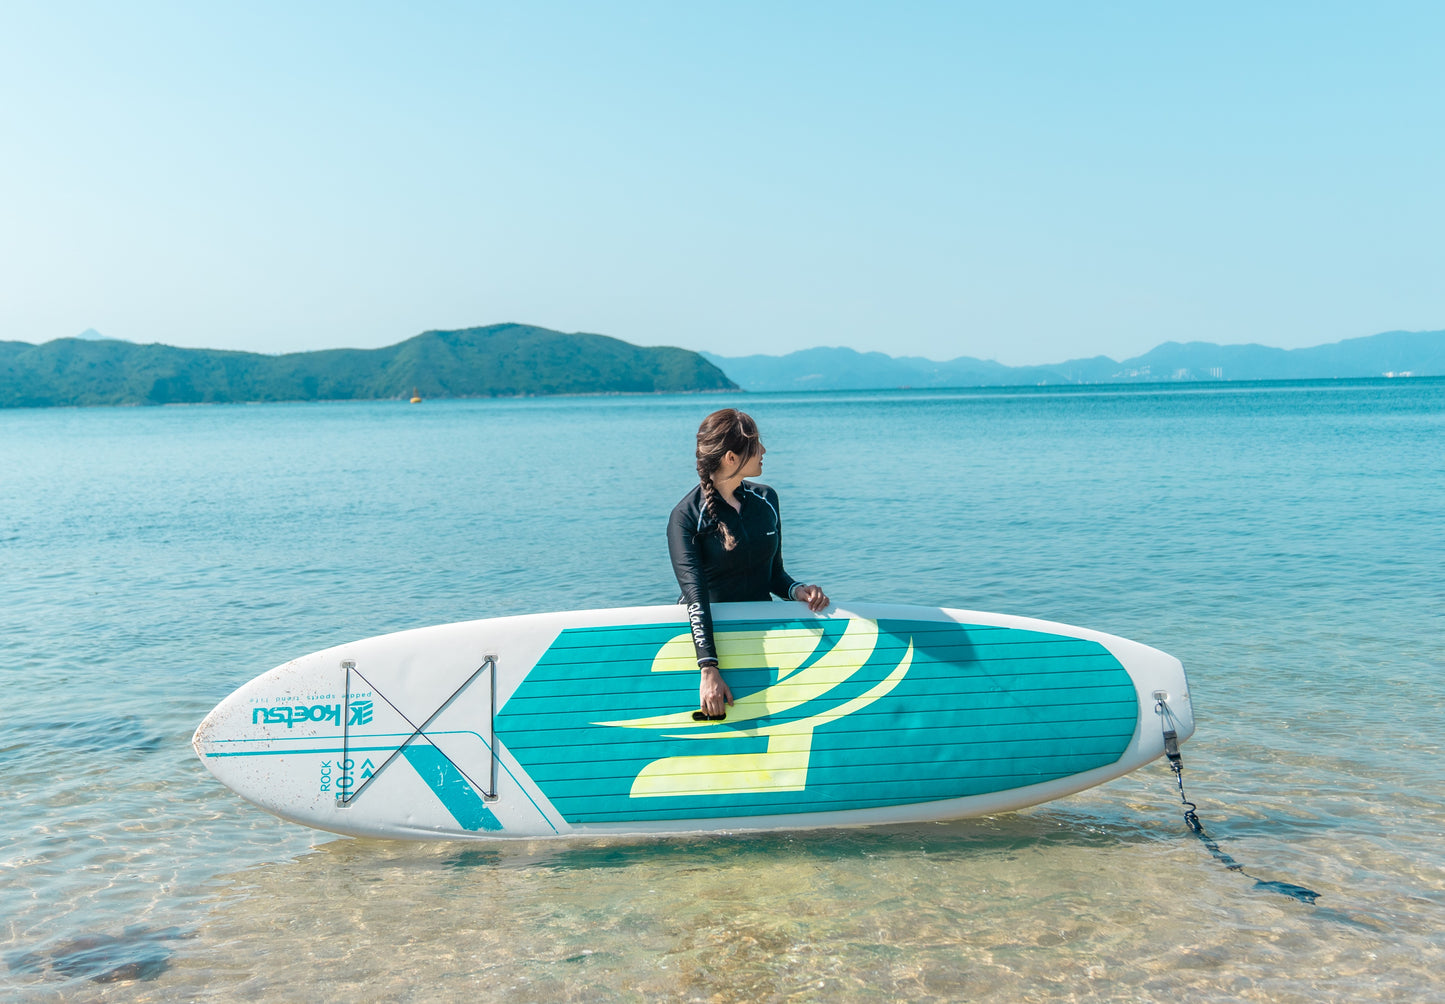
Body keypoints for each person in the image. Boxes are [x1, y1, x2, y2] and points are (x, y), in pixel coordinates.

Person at [667, 408, 829, 719]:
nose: (764, 451)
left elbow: (774, 575)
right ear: (730, 457)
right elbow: (695, 599)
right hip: (712, 643)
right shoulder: (686, 517)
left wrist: (798, 591)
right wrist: (708, 669)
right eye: (756, 446)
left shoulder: (766, 500)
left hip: (760, 632)